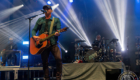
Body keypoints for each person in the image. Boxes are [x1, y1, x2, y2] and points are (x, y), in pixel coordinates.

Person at [32, 5, 62, 80]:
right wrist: (34, 36)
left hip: (53, 43)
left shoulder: (56, 20)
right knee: (44, 62)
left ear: (51, 10)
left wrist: (58, 33)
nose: (46, 10)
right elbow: (34, 30)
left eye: (47, 9)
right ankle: (46, 78)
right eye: (45, 9)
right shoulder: (40, 20)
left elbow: (58, 30)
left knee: (58, 59)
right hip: (43, 44)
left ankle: (58, 77)